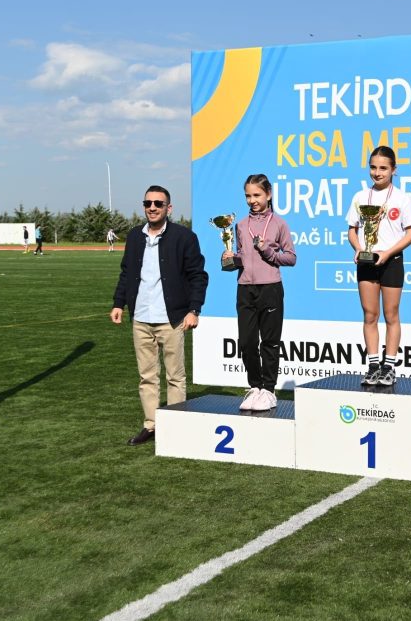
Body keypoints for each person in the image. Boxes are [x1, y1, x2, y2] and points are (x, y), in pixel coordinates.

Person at [111, 185, 208, 445]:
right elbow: (126, 273)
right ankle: (151, 426)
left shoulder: (184, 237)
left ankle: (176, 427)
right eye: (148, 203)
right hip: (141, 317)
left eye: (158, 203)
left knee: (175, 376)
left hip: (172, 318)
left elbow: (198, 276)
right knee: (147, 377)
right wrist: (119, 303)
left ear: (169, 208)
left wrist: (194, 310)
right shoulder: (134, 236)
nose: (152, 208)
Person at [346, 145, 411, 386]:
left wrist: (387, 253)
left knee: (391, 315)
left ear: (393, 170)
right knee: (370, 315)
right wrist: (359, 249)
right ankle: (372, 366)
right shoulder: (360, 197)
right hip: (366, 263)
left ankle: (389, 367)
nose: (377, 173)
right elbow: (352, 231)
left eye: (383, 168)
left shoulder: (403, 199)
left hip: (392, 262)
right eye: (373, 167)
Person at [221, 174, 296, 411]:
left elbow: (291, 258)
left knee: (270, 343)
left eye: (257, 195)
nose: (252, 200)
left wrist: (268, 251)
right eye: (248, 196)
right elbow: (242, 257)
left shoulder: (279, 224)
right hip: (245, 288)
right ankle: (255, 387)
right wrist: (231, 258)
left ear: (268, 194)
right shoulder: (240, 225)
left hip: (270, 288)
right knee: (247, 342)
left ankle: (269, 390)